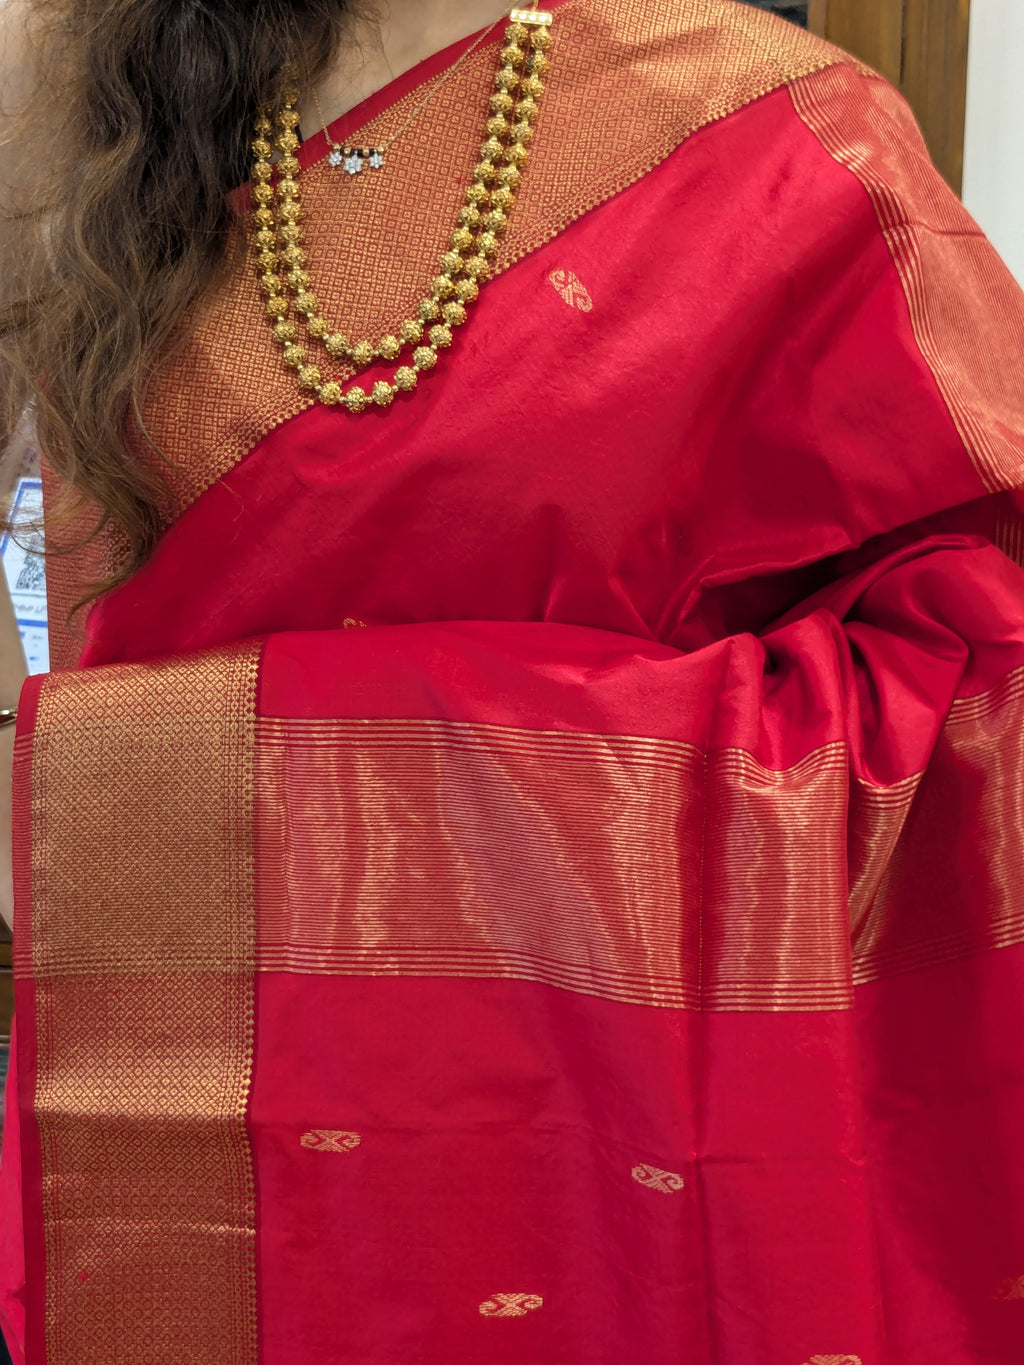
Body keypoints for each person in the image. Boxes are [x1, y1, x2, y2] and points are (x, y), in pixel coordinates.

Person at [0, 0, 1023, 1360]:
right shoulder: (87, 97)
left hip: (615, 1127)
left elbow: (978, 672)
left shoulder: (785, 134)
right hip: (183, 1054)